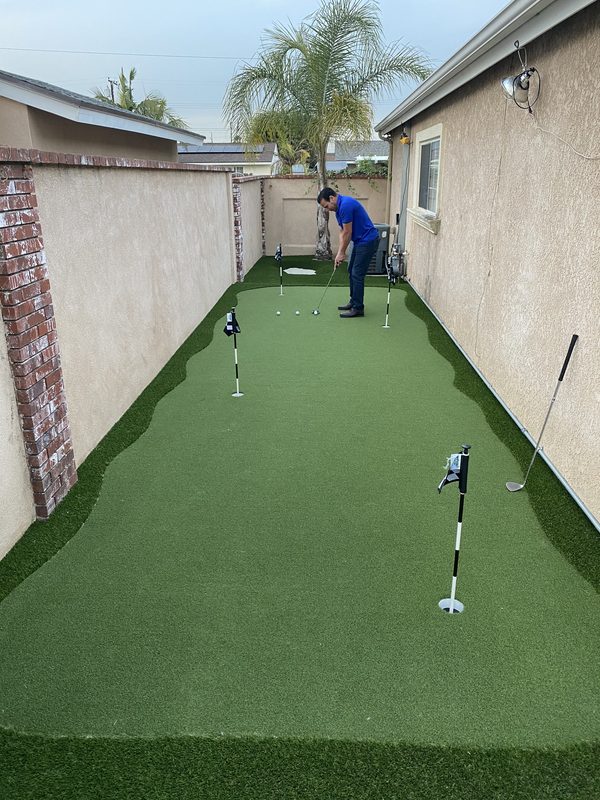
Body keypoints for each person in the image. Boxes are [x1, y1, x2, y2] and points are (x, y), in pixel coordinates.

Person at [317, 187, 380, 318]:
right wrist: (340, 252)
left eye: (326, 205)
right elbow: (342, 232)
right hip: (359, 241)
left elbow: (348, 232)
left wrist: (341, 253)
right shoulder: (338, 210)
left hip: (368, 240)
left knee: (357, 273)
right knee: (351, 270)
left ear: (332, 198)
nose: (327, 209)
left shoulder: (346, 205)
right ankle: (353, 302)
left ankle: (358, 308)